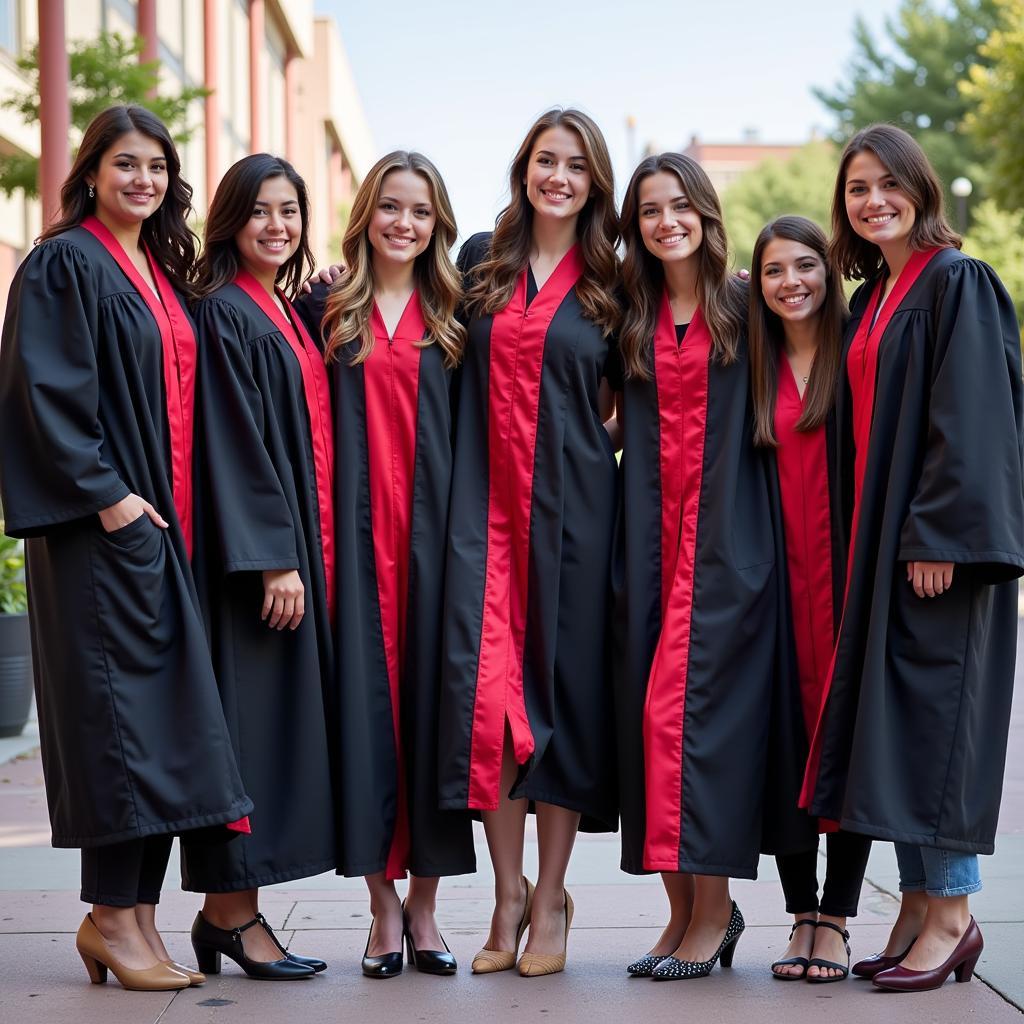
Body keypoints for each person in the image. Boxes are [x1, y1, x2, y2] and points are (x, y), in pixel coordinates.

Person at [0, 104, 251, 992]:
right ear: (93, 172)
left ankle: (131, 919)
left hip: (157, 531)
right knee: (119, 724)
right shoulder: (65, 260)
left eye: (156, 166)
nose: (142, 179)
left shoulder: (153, 266)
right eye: (125, 164)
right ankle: (112, 917)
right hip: (100, 531)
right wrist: (107, 500)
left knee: (159, 726)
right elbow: (41, 389)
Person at [800, 123, 1024, 993]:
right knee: (894, 732)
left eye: (888, 183)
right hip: (883, 548)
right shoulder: (876, 298)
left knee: (938, 729)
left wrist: (939, 534)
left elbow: (970, 418)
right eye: (857, 188)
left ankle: (954, 917)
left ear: (920, 190)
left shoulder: (956, 283)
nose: (873, 200)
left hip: (937, 551)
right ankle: (923, 906)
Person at [437, 108, 621, 978]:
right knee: (490, 703)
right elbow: (410, 317)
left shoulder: (616, 283)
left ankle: (551, 898)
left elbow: (641, 396)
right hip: (482, 515)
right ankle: (505, 896)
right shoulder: (480, 259)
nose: (558, 176)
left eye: (575, 165)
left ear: (594, 182)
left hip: (576, 521)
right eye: (546, 160)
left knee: (562, 705)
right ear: (523, 170)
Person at [302, 151, 476, 979]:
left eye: (420, 210)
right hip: (355, 548)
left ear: (438, 222)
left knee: (436, 723)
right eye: (390, 207)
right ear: (368, 213)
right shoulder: (326, 307)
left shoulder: (455, 314)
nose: (404, 223)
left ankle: (428, 909)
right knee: (366, 724)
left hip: (437, 549)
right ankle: (379, 908)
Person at [612, 152, 769, 981]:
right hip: (646, 551)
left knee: (690, 725)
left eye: (680, 206)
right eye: (649, 210)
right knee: (648, 729)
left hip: (725, 550)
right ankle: (681, 914)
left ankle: (713, 914)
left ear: (707, 214)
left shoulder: (745, 308)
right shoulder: (632, 316)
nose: (666, 221)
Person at [183, 154, 335, 980]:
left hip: (291, 553)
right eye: (261, 212)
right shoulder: (221, 312)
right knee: (244, 736)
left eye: (291, 212)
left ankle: (227, 916)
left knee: (270, 737)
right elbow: (231, 441)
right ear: (232, 220)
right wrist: (274, 559)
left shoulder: (279, 307)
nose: (278, 226)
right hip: (254, 569)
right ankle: (234, 918)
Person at [747, 215, 872, 983]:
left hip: (846, 579)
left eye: (805, 266)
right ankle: (800, 915)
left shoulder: (859, 353)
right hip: (774, 589)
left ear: (829, 273)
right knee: (786, 745)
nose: (791, 282)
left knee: (849, 744)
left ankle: (839, 918)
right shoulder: (752, 363)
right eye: (773, 272)